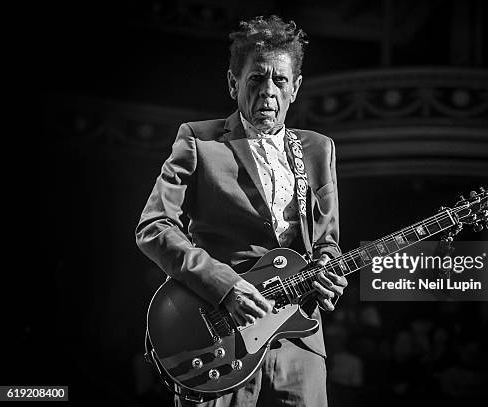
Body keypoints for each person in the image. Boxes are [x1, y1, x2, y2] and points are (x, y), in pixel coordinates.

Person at [135, 15, 347, 407]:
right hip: (221, 336)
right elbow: (155, 226)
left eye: (280, 81)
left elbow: (326, 242)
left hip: (300, 343)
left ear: (295, 88)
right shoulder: (199, 140)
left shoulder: (319, 149)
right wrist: (225, 286)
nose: (268, 91)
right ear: (234, 83)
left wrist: (329, 274)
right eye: (256, 79)